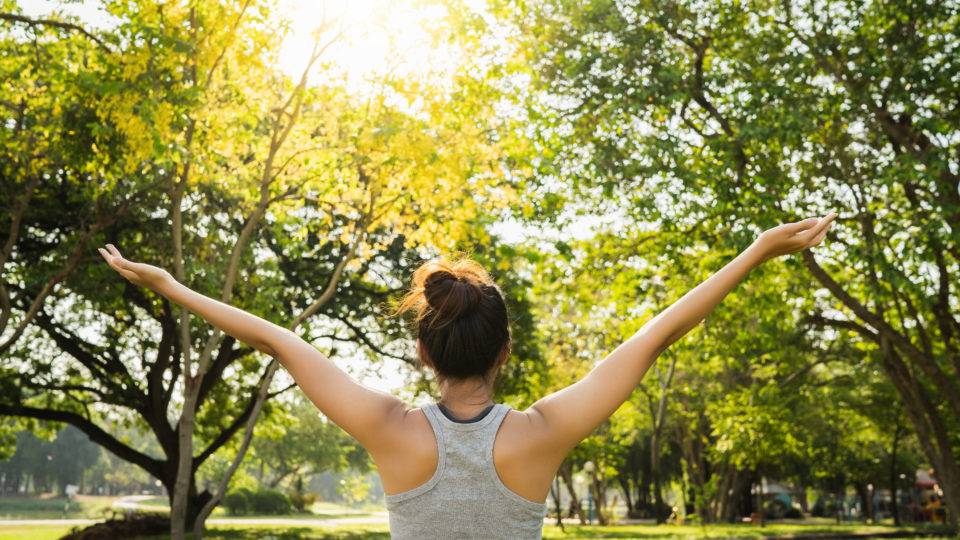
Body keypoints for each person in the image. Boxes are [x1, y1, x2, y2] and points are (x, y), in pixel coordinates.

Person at [98, 213, 835, 539]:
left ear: (424, 353)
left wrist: (171, 286)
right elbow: (657, 333)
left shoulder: (390, 434)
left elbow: (279, 340)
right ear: (505, 352)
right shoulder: (542, 436)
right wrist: (754, 252)